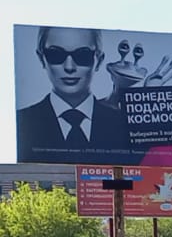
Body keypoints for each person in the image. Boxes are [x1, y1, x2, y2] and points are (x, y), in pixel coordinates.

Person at [15, 26, 134, 162]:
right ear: (42, 58)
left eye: (82, 55)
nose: (69, 67)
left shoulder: (124, 125)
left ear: (99, 60)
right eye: (56, 55)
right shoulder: (23, 121)